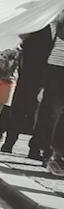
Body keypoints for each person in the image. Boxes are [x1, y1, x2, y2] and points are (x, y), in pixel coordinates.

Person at [2, 24, 55, 153]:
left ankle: (35, 147)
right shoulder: (41, 22)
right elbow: (22, 35)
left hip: (53, 73)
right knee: (20, 106)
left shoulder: (60, 26)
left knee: (45, 111)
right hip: (30, 72)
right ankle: (9, 141)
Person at [29, 11, 64, 162]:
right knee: (52, 111)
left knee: (51, 111)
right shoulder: (59, 18)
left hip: (54, 67)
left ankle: (41, 148)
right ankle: (44, 149)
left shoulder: (58, 17)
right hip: (56, 68)